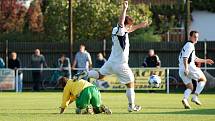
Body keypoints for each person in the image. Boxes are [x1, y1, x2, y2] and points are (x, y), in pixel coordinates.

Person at [81, 0, 150, 112]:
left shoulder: (118, 31)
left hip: (111, 62)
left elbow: (129, 29)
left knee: (100, 75)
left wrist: (140, 25)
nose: (130, 27)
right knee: (130, 82)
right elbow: (122, 24)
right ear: (126, 24)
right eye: (130, 25)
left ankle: (86, 73)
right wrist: (124, 9)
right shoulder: (121, 29)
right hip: (121, 64)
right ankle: (131, 106)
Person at [178, 30, 214, 109]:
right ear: (190, 37)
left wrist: (205, 60)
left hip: (181, 69)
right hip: (189, 67)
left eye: (197, 37)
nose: (196, 38)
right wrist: (187, 68)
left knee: (190, 87)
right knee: (203, 79)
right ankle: (195, 97)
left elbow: (194, 58)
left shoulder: (187, 45)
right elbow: (185, 58)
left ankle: (185, 99)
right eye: (194, 37)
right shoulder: (190, 45)